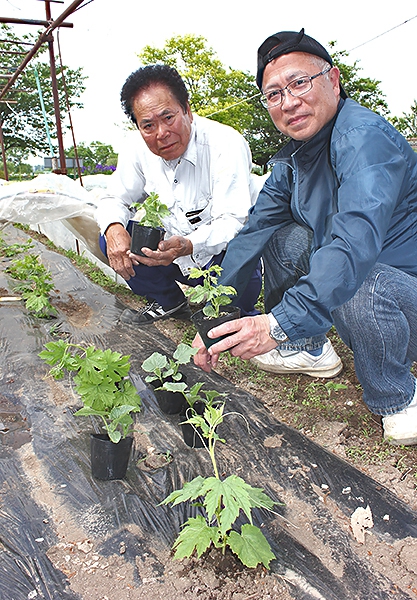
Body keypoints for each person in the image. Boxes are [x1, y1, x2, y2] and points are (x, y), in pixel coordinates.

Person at [192, 28, 417, 446]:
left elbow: (353, 244)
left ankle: (397, 396)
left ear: (332, 80)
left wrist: (276, 324)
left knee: (354, 275)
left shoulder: (363, 138)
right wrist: (212, 323)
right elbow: (253, 232)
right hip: (364, 285)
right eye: (274, 94)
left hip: (404, 294)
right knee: (281, 237)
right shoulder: (294, 159)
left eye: (299, 83)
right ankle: (309, 346)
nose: (289, 102)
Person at [96, 64, 263, 325]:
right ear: (138, 127)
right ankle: (168, 301)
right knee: (110, 237)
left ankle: (233, 312)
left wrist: (189, 245)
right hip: (169, 258)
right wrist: (114, 227)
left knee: (234, 301)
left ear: (187, 110)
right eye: (148, 125)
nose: (161, 133)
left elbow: (233, 220)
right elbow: (114, 199)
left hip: (218, 259)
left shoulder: (225, 144)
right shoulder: (134, 148)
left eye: (168, 117)